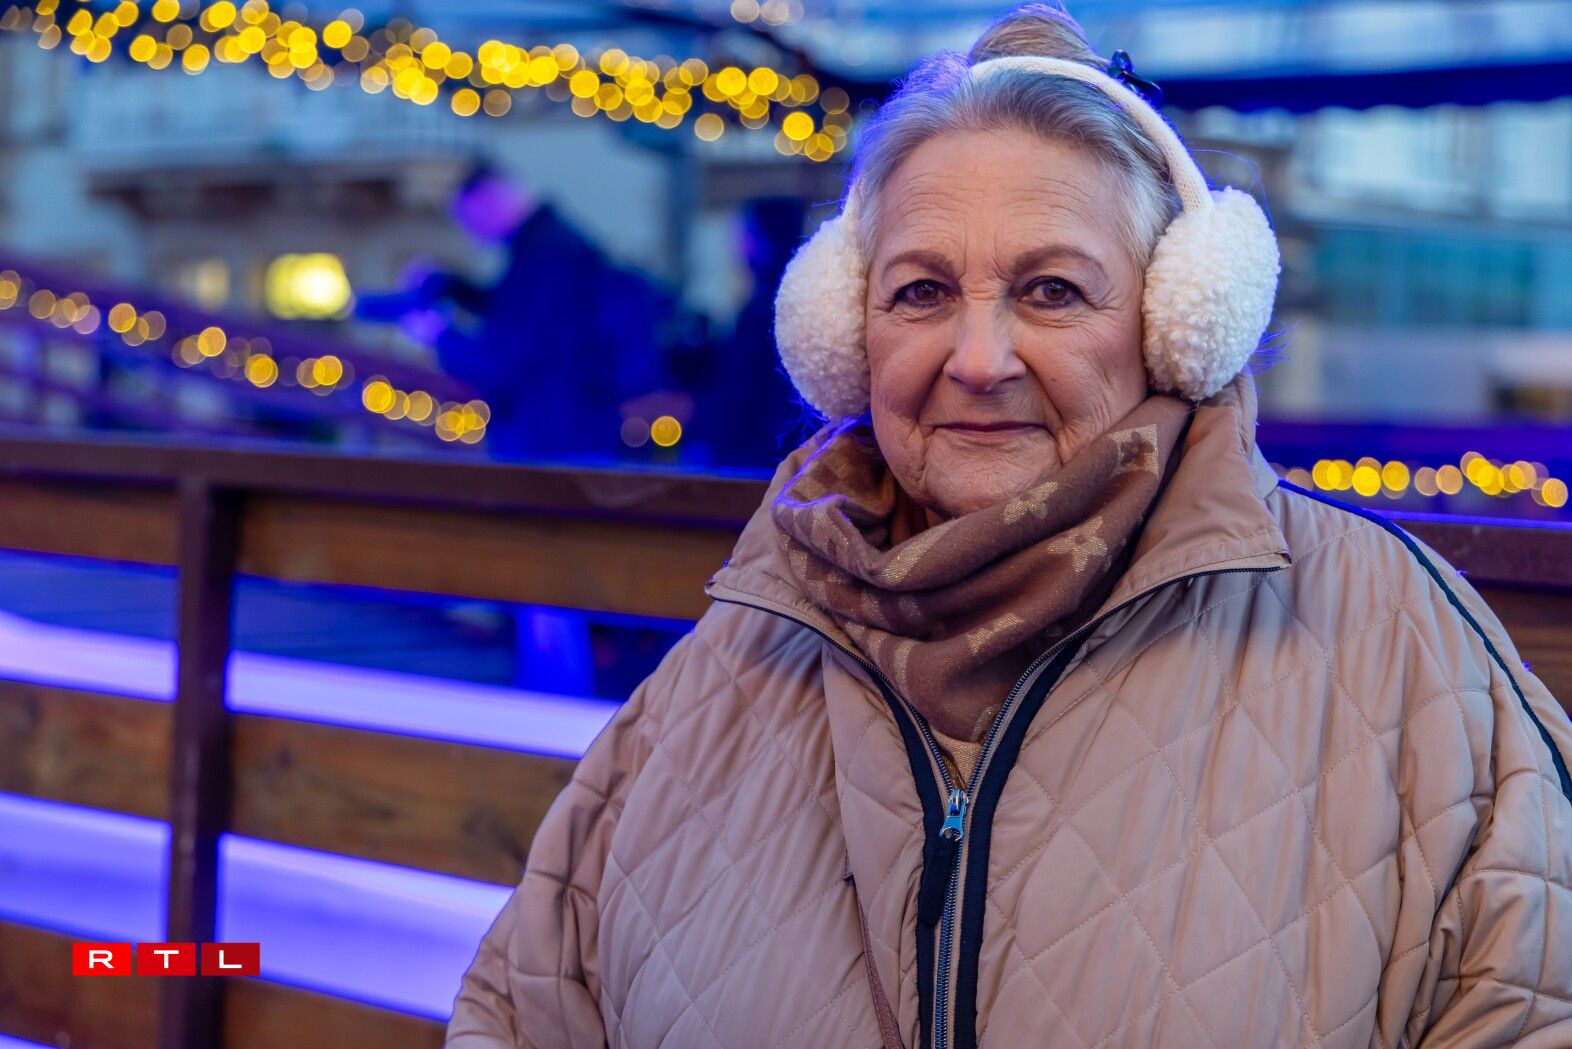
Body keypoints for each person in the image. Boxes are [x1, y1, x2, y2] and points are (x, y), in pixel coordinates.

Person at [446, 5, 1572, 1047]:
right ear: (845, 333)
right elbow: (519, 1009)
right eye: (922, 292)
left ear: (1177, 323)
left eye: (1052, 291)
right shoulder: (728, 659)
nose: (979, 360)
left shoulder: (1400, 646)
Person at [397, 161, 687, 464]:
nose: (474, 235)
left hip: (554, 437)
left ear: (488, 200)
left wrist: (440, 335)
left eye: (470, 220)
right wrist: (450, 287)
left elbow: (508, 358)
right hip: (575, 427)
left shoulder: (543, 258)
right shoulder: (552, 248)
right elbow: (519, 316)